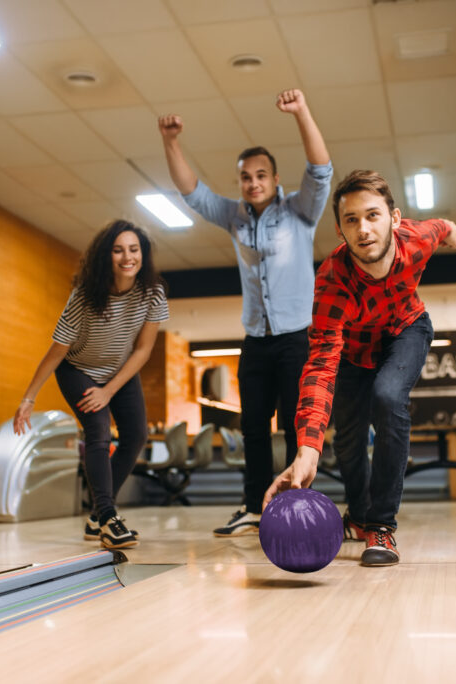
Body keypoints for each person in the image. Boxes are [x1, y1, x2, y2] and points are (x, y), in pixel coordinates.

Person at [263, 170, 456, 567]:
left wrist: (452, 232)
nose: (363, 229)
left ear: (395, 218)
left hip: (406, 328)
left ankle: (381, 527)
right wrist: (307, 451)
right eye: (351, 220)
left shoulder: (417, 240)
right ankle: (358, 514)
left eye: (373, 215)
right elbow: (319, 366)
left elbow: (443, 227)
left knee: (388, 397)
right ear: (340, 230)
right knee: (348, 439)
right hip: (353, 351)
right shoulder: (332, 281)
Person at [158, 89, 332, 537]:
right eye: (245, 177)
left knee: (298, 426)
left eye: (261, 175)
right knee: (254, 426)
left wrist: (301, 112)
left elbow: (321, 169)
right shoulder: (234, 217)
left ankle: (298, 504)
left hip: (297, 338)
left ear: (275, 178)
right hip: (256, 340)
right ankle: (255, 506)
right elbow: (192, 194)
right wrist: (171, 141)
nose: (253, 183)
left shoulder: (300, 211)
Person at [14, 220, 168, 550]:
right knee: (98, 431)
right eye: (118, 250)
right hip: (78, 369)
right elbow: (57, 352)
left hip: (120, 372)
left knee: (136, 436)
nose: (127, 257)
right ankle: (109, 518)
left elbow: (143, 350)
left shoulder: (152, 292)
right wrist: (29, 397)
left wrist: (109, 390)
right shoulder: (85, 296)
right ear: (105, 256)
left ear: (143, 254)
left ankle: (98, 515)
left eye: (134, 249)